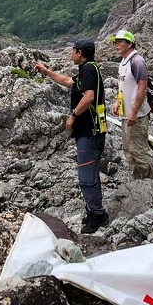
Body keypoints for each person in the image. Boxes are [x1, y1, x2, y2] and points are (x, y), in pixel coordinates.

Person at [34, 39, 109, 234]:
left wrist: (73, 116)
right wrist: (47, 72)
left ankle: (98, 215)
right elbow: (69, 82)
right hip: (91, 130)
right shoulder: (88, 68)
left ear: (80, 53)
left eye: (73, 51)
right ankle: (94, 210)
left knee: (86, 176)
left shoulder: (89, 70)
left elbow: (89, 96)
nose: (71, 54)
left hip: (89, 131)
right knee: (90, 172)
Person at [109, 29, 153, 179]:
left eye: (119, 42)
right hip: (126, 114)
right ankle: (139, 183)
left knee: (139, 151)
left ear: (129, 44)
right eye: (115, 42)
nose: (116, 45)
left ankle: (151, 185)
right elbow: (124, 86)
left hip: (137, 115)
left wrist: (134, 112)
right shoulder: (123, 62)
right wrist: (117, 101)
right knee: (129, 151)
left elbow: (142, 89)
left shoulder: (137, 61)